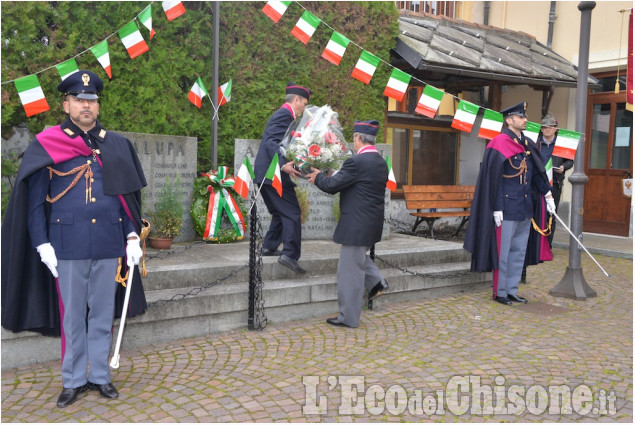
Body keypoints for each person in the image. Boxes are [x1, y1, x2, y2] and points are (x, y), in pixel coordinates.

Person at [1, 70, 147, 407]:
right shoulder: (47, 143)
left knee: (101, 314)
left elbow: (125, 197)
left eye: (91, 101)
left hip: (110, 244)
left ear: (97, 106)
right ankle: (73, 380)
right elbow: (35, 202)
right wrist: (42, 244)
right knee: (72, 317)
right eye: (79, 100)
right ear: (66, 103)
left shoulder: (116, 144)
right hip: (66, 247)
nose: (86, 106)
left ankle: (99, 377)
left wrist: (131, 236)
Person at [463, 101, 556, 306]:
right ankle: (500, 292)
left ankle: (512, 290)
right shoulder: (498, 143)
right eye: (520, 117)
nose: (525, 120)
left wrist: (548, 196)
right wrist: (496, 207)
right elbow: (493, 181)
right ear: (509, 120)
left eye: (524, 116)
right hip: (505, 209)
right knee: (502, 253)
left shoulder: (528, 144)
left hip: (524, 208)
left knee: (518, 252)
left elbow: (537, 174)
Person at [306, 120, 389, 328]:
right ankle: (377, 282)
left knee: (348, 273)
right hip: (370, 224)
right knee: (357, 260)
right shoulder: (379, 161)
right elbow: (351, 182)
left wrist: (317, 177)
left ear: (358, 138)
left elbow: (333, 186)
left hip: (356, 225)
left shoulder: (357, 162)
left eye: (354, 138)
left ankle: (348, 318)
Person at [254, 82, 310, 274]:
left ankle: (269, 246)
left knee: (280, 212)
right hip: (273, 173)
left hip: (266, 174)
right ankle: (290, 255)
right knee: (292, 212)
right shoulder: (284, 115)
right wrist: (282, 164)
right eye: (304, 103)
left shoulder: (284, 115)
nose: (304, 108)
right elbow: (271, 142)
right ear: (296, 100)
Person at [536, 112, 573, 247]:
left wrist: (563, 167)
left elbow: (570, 162)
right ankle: (536, 246)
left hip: (555, 184)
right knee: (537, 214)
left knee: (551, 215)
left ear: (556, 129)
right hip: (537, 184)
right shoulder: (535, 142)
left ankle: (547, 246)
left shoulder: (561, 144)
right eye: (545, 127)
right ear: (541, 129)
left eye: (550, 127)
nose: (547, 129)